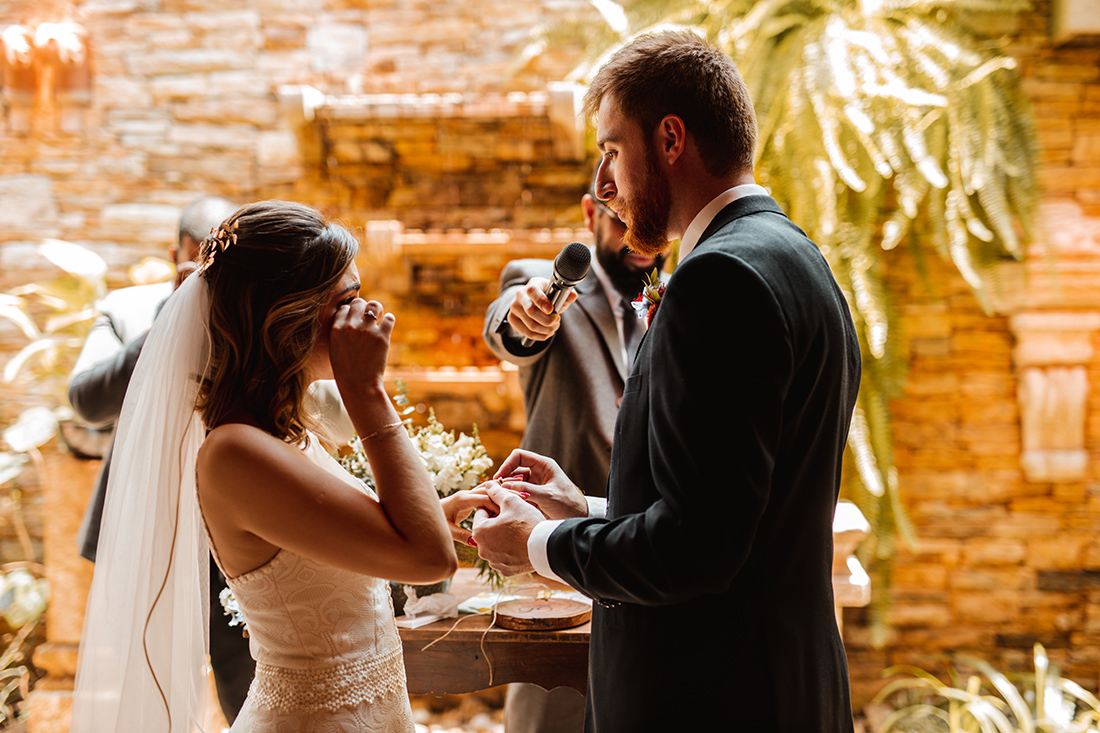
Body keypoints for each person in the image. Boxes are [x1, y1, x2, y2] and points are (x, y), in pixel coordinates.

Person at [467, 29, 862, 732]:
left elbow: (697, 548)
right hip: (787, 686)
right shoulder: (801, 260)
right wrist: (586, 506)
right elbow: (738, 512)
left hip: (709, 698)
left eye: (613, 150)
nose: (606, 184)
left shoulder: (718, 280)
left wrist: (534, 543)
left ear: (671, 138)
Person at [71, 200, 460, 731]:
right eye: (347, 300)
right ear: (287, 317)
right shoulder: (236, 453)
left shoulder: (285, 425)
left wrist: (442, 510)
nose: (369, 313)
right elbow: (431, 559)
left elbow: (343, 541)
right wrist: (366, 388)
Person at [67, 195, 263, 723]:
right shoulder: (128, 309)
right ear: (176, 249)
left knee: (245, 687)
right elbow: (86, 398)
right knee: (145, 687)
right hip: (145, 530)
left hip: (238, 532)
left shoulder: (253, 313)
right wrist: (168, 329)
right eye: (200, 251)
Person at [482, 170, 665, 733]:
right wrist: (526, 315)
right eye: (621, 220)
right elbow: (512, 324)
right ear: (590, 213)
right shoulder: (544, 282)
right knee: (551, 714)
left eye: (650, 225)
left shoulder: (679, 300)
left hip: (641, 554)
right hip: (554, 559)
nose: (637, 239)